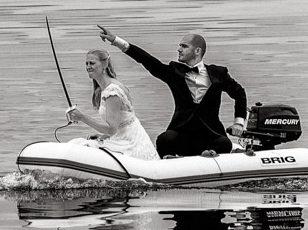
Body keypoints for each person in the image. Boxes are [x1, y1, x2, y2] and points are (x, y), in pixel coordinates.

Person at [97, 26, 247, 158]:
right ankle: (171, 163)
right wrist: (116, 41)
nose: (179, 49)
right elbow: (148, 61)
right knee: (164, 140)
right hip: (182, 134)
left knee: (224, 143)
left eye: (184, 46)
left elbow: (239, 93)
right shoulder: (174, 72)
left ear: (197, 51)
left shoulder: (218, 73)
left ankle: (209, 157)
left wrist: (238, 123)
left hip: (211, 134)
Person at [66, 48, 160, 161]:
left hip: (129, 142)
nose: (88, 67)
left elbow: (111, 129)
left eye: (92, 63)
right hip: (123, 136)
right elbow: (119, 124)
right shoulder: (107, 87)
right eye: (86, 63)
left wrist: (82, 117)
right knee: (78, 143)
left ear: (104, 64)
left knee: (82, 146)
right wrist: (104, 136)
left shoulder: (112, 92)